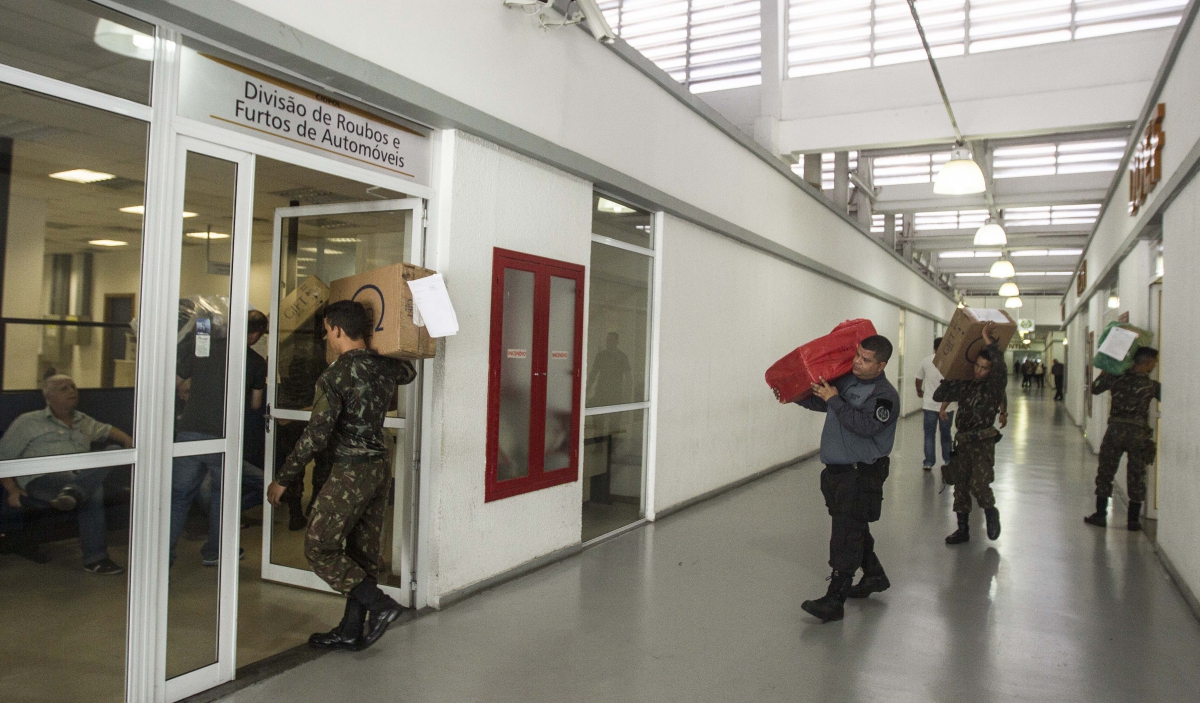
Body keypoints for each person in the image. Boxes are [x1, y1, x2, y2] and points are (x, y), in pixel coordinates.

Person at [267, 300, 417, 651]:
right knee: (362, 555)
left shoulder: (335, 375)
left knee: (319, 546)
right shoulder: (383, 367)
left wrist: (284, 478)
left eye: (326, 330)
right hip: (380, 468)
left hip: (351, 471)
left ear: (336, 329)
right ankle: (351, 630)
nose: (325, 337)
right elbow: (409, 372)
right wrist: (382, 346)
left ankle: (380, 606)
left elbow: (316, 435)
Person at [793, 335, 899, 623]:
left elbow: (864, 426)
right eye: (857, 356)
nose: (857, 363)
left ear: (881, 365)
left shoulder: (885, 396)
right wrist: (798, 396)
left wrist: (835, 400)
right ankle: (874, 575)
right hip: (837, 472)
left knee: (845, 533)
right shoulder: (848, 382)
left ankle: (834, 600)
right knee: (853, 526)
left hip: (860, 473)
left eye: (866, 360)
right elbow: (825, 403)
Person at [0, 375, 131, 574]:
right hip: (43, 479)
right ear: (49, 396)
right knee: (93, 492)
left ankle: (75, 491)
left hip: (79, 475)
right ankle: (95, 559)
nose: (72, 391)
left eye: (73, 387)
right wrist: (12, 490)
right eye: (64, 388)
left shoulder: (82, 420)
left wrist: (129, 441)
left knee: (113, 448)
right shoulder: (28, 422)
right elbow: (3, 457)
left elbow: (107, 431)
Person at [169, 312, 265, 567]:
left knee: (179, 498)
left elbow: (175, 381)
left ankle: (163, 554)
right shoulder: (255, 361)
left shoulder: (204, 349)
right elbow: (256, 404)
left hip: (189, 432)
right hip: (224, 436)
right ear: (255, 335)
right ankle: (215, 551)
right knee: (222, 497)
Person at [933, 322, 1008, 545]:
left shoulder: (994, 386)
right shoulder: (965, 384)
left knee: (980, 482)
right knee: (961, 486)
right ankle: (962, 529)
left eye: (984, 368)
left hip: (983, 441)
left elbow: (1001, 368)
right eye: (977, 365)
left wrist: (988, 340)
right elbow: (939, 395)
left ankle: (990, 512)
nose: (979, 370)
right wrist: (952, 372)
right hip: (963, 442)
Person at [1084, 348, 1160, 531]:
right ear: (1147, 363)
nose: (1154, 366)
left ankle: (1100, 515)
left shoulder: (1117, 378)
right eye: (1153, 363)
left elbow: (1095, 388)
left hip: (1115, 432)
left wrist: (1109, 367)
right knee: (1137, 475)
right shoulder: (1151, 386)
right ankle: (1133, 521)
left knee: (1105, 472)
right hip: (1138, 435)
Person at [915, 337, 955, 472]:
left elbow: (918, 378)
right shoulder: (952, 362)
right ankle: (948, 460)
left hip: (930, 405)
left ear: (934, 347)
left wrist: (919, 390)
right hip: (948, 407)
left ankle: (928, 462)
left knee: (929, 434)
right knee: (946, 435)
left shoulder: (926, 361)